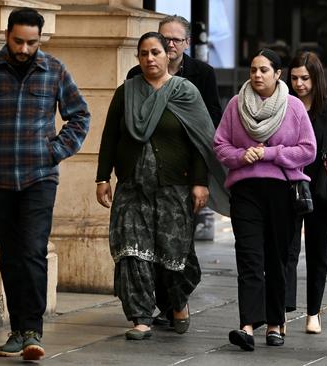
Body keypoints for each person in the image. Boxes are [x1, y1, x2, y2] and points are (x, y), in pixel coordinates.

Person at [0, 7, 90, 361]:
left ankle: (32, 331)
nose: (24, 48)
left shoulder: (54, 70)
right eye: (18, 41)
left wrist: (55, 152)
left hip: (40, 177)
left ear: (40, 39)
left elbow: (79, 115)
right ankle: (17, 330)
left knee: (33, 250)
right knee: (9, 254)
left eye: (31, 42)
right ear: (7, 35)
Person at [95, 32, 228, 341]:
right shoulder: (126, 92)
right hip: (132, 186)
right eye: (143, 53)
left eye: (155, 52)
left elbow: (199, 142)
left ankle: (177, 300)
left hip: (174, 187)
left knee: (174, 254)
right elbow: (110, 136)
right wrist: (103, 177)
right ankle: (140, 317)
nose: (149, 58)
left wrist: (199, 183)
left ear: (169, 55)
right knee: (132, 253)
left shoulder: (186, 92)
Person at [214, 48, 316, 351]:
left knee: (276, 258)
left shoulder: (294, 107)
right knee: (248, 256)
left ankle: (275, 324)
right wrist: (241, 155)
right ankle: (247, 325)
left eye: (264, 70)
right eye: (253, 70)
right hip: (245, 191)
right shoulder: (235, 105)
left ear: (277, 74)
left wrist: (271, 153)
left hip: (282, 192)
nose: (257, 75)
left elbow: (307, 150)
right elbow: (220, 145)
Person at [126, 15, 223, 327]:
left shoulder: (201, 74)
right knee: (147, 243)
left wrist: (200, 179)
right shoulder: (135, 75)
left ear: (186, 43)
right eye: (163, 38)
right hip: (143, 176)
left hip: (183, 175)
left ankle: (175, 301)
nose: (168, 45)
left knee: (179, 244)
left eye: (175, 40)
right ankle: (165, 305)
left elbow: (207, 126)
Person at [284, 51, 327, 334]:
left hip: (321, 187)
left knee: (318, 253)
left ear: (316, 78)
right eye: (294, 78)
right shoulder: (283, 104)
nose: (299, 84)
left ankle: (313, 312)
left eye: (305, 78)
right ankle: (283, 310)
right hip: (289, 184)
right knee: (287, 251)